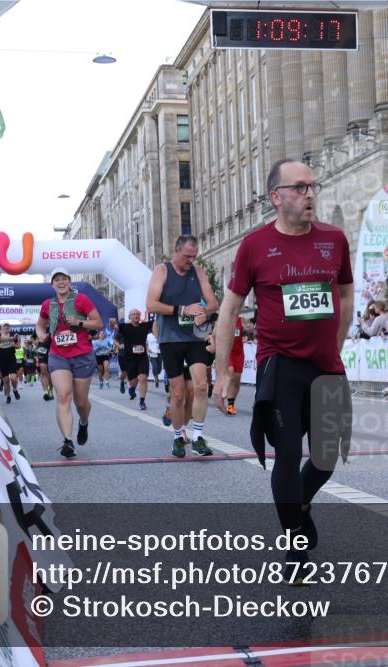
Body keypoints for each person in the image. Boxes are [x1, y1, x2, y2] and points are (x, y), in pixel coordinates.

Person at [211, 158, 354, 583]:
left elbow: (345, 296)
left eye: (313, 186)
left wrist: (338, 345)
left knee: (326, 459)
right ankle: (295, 546)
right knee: (288, 457)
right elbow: (229, 310)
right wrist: (224, 373)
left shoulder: (334, 239)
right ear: (277, 197)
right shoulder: (255, 246)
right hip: (280, 364)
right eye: (300, 187)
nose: (310, 194)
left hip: (325, 365)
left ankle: (302, 505)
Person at [146, 235, 220, 457]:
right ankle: (178, 436)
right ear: (176, 251)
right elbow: (151, 304)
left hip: (195, 337)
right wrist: (181, 309)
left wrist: (203, 312)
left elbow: (213, 302)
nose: (191, 260)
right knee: (178, 394)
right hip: (170, 339)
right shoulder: (162, 271)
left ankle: (197, 437)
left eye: (194, 256)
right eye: (187, 256)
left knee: (200, 386)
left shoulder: (198, 272)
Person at [36, 267, 103, 459]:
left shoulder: (81, 300)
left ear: (69, 281)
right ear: (52, 284)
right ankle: (68, 441)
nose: (61, 282)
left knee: (81, 402)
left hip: (82, 354)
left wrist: (80, 323)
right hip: (58, 355)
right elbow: (40, 325)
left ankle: (83, 422)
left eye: (64, 278)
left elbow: (98, 323)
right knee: (63, 396)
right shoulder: (48, 304)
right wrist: (42, 336)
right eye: (56, 279)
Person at [120, 308, 152, 410]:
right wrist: (112, 323)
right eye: (133, 314)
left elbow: (156, 322)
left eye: (138, 314)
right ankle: (132, 388)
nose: (136, 316)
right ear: (130, 317)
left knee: (142, 378)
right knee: (133, 382)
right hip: (129, 358)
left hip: (142, 357)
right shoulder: (125, 327)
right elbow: (115, 327)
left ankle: (142, 402)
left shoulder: (144, 326)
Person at [224, 315, 245, 415]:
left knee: (237, 380)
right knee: (231, 371)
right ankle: (224, 394)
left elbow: (247, 332)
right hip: (227, 352)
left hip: (239, 353)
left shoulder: (241, 320)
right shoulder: (224, 319)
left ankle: (231, 405)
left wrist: (246, 331)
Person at [0, 324, 20, 404]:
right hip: (2, 360)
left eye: (7, 328)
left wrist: (14, 345)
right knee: (6, 380)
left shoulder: (13, 336)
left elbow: (19, 346)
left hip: (11, 360)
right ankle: (8, 396)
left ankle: (15, 390)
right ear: (2, 329)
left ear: (9, 329)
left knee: (13, 378)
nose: (6, 330)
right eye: (4, 328)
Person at [35, 334, 54, 401]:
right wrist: (37, 343)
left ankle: (51, 390)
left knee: (50, 373)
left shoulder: (53, 327)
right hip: (42, 351)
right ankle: (45, 392)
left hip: (52, 351)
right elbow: (35, 342)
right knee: (43, 371)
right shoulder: (40, 327)